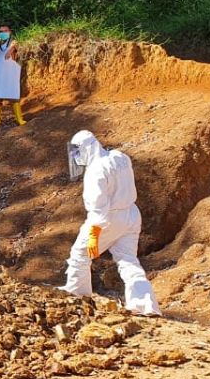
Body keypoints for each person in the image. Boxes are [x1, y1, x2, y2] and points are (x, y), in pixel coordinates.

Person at [61, 130, 160, 316]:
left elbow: (97, 211)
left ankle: (76, 298)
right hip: (131, 215)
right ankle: (145, 305)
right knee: (128, 260)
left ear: (87, 149)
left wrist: (92, 242)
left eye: (78, 152)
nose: (77, 157)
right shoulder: (120, 157)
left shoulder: (95, 172)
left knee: (80, 255)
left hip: (108, 218)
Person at [0, 25, 26, 127]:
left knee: (13, 97)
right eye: (0, 31)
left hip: (10, 76)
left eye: (5, 31)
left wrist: (10, 50)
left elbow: (16, 45)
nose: (2, 33)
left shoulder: (13, 42)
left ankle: (20, 119)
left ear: (10, 32)